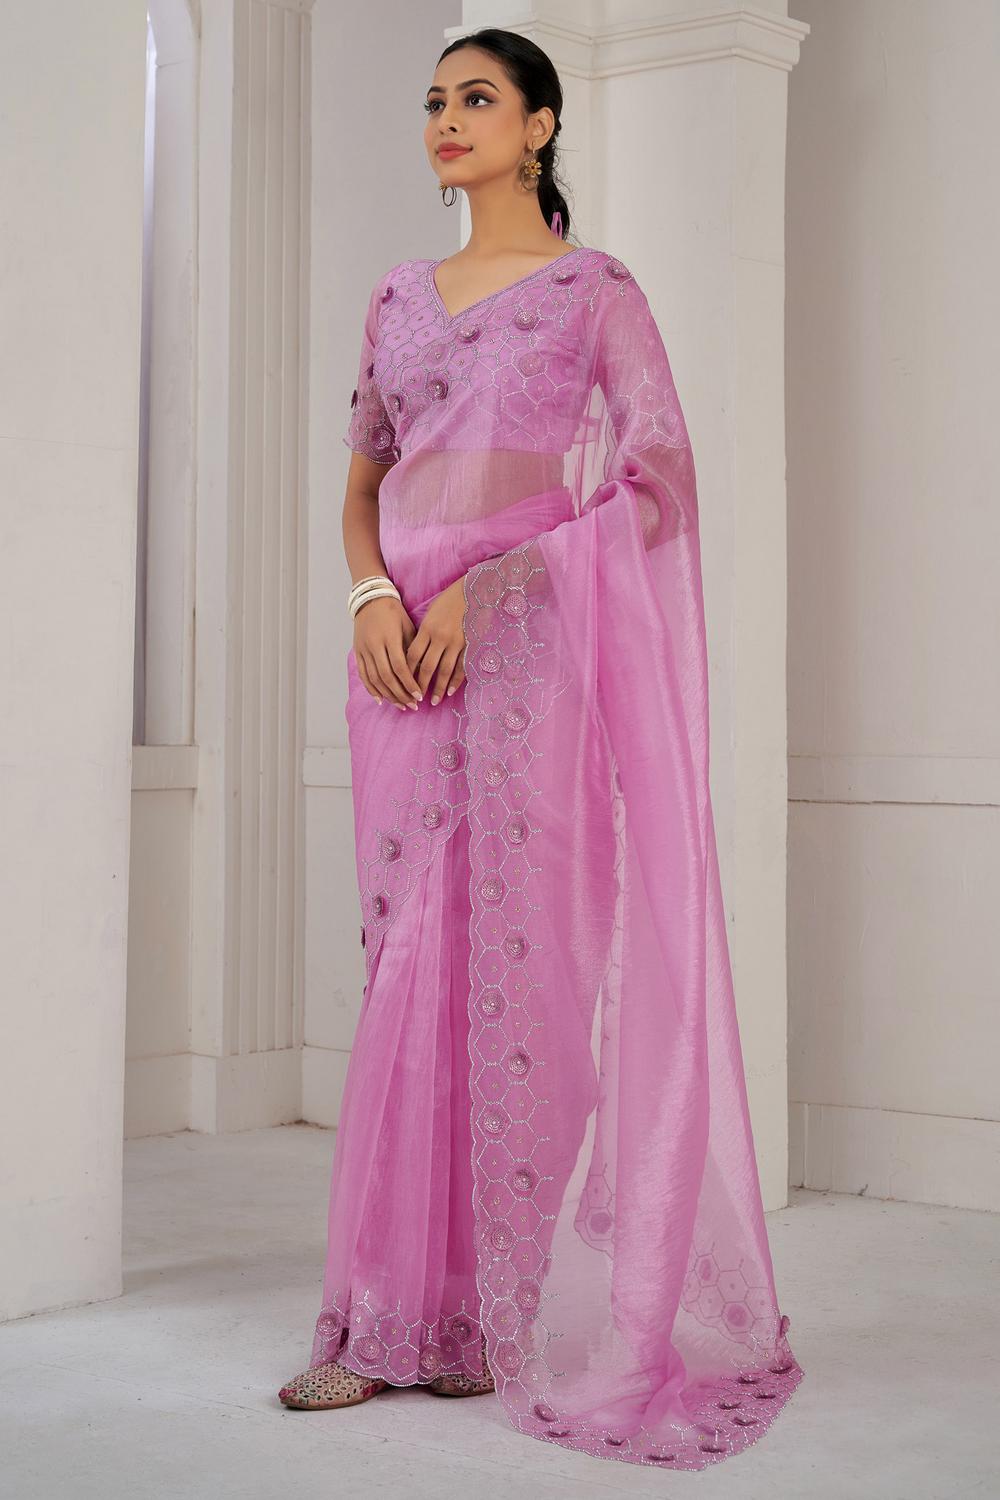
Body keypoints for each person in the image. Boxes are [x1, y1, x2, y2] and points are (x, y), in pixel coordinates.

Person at [277, 26, 805, 1471]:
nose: (446, 120)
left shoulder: (594, 293)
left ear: (541, 124)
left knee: (516, 961)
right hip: (399, 657)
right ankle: (394, 1313)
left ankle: (476, 1318)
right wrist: (375, 597)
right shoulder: (399, 295)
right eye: (434, 100)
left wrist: (506, 583)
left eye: (478, 98)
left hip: (524, 649)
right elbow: (362, 488)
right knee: (405, 955)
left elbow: (660, 479)